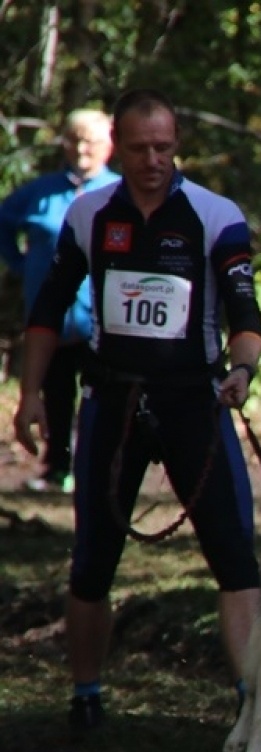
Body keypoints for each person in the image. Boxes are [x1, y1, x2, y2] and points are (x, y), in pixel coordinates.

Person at [11, 89, 261, 737]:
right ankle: (86, 695)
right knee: (93, 559)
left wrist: (241, 371)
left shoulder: (215, 216)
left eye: (164, 146)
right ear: (117, 148)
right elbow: (46, 313)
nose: (153, 159)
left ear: (177, 140)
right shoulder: (88, 214)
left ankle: (252, 697)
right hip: (112, 400)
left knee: (234, 554)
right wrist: (31, 394)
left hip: (195, 402)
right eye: (139, 148)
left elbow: (247, 320)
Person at [1, 108, 118, 492]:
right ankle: (56, 466)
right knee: (55, 392)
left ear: (109, 145)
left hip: (103, 318)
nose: (83, 148)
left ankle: (102, 468)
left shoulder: (121, 191)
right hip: (50, 316)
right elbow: (4, 221)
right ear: (64, 143)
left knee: (105, 396)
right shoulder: (41, 192)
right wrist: (19, 263)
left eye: (91, 140)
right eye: (75, 139)